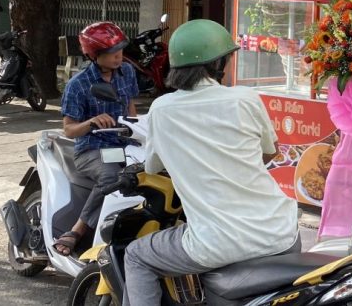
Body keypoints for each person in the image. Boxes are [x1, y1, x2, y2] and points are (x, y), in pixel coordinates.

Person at [123, 19, 299, 306]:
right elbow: (270, 152)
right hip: (282, 233)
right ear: (218, 64)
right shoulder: (246, 99)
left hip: (215, 245)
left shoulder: (162, 110)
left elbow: (153, 167)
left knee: (136, 256)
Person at [55, 22, 139, 256]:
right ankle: (78, 230)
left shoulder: (127, 71)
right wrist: (91, 122)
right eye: (113, 53)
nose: (119, 56)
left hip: (125, 144)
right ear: (94, 55)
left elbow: (130, 106)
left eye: (121, 50)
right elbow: (69, 130)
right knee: (112, 175)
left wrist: (137, 128)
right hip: (92, 148)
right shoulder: (78, 85)